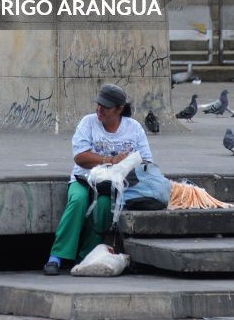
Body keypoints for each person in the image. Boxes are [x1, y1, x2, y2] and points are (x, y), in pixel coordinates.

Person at [42, 83, 152, 274]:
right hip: (83, 178)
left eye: (105, 107)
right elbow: (80, 157)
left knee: (103, 206)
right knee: (78, 201)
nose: (99, 109)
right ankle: (57, 256)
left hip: (112, 185)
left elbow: (147, 162)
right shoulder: (88, 122)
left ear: (119, 109)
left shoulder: (134, 128)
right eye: (98, 105)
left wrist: (127, 164)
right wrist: (110, 160)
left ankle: (85, 256)